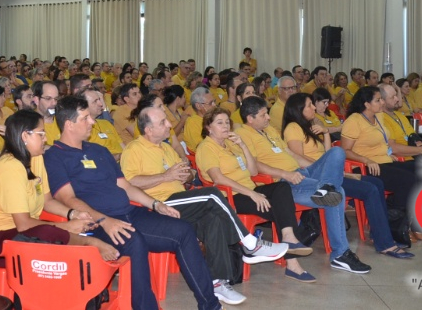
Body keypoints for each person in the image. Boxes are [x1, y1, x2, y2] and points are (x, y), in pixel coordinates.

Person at [45, 96, 241, 310]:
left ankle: (210, 304)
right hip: (96, 225)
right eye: (85, 118)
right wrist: (103, 220)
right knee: (134, 241)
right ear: (69, 124)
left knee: (183, 230)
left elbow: (126, 187)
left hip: (130, 213)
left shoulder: (98, 151)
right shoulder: (55, 156)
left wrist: (156, 205)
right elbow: (68, 198)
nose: (93, 122)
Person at [121, 105, 294, 288]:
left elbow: (189, 175)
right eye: (163, 122)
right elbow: (129, 183)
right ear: (148, 130)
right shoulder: (134, 150)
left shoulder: (165, 148)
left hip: (182, 198)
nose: (169, 126)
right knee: (212, 194)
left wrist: (186, 175)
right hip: (157, 204)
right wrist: (166, 176)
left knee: (214, 219)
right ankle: (250, 243)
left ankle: (218, 283)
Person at [236, 95, 372, 274]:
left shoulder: (270, 131)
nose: (268, 118)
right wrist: (286, 174)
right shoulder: (243, 134)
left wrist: (316, 167)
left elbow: (291, 155)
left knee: (337, 153)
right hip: (285, 182)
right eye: (263, 115)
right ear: (250, 118)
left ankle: (325, 188)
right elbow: (254, 165)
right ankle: (340, 253)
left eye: (267, 114)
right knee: (337, 194)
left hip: (302, 174)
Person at [0, 109, 117, 269]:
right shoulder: (9, 168)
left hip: (20, 232)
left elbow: (47, 201)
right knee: (46, 234)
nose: (46, 139)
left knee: (53, 233)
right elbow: (23, 225)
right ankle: (88, 243)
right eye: (41, 134)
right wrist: (68, 227)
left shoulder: (36, 158)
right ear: (25, 136)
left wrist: (73, 214)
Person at [281, 94, 413, 259]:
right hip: (316, 177)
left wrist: (326, 133)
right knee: (370, 189)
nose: (314, 108)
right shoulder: (293, 128)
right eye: (309, 105)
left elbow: (327, 154)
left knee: (376, 183)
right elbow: (299, 160)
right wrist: (330, 168)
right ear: (298, 110)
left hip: (330, 174)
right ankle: (385, 243)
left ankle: (380, 232)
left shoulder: (310, 127)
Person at [196, 108, 317, 281]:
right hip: (230, 197)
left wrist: (243, 145)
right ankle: (293, 264)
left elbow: (252, 171)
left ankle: (289, 239)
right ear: (209, 127)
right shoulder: (206, 147)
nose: (225, 126)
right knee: (282, 209)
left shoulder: (231, 144)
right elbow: (218, 178)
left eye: (227, 122)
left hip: (249, 189)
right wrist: (252, 195)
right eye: (219, 122)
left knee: (282, 189)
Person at [341, 86, 422, 241]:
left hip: (384, 161)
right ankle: (394, 225)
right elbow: (345, 150)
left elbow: (384, 142)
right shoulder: (354, 121)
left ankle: (396, 217)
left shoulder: (379, 116)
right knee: (407, 180)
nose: (382, 102)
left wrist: (388, 153)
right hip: (364, 166)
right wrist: (367, 160)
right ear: (366, 104)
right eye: (378, 100)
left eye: (381, 99)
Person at [79, 87, 123, 159]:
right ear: (83, 106)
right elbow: (92, 158)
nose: (100, 104)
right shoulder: (82, 129)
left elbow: (122, 146)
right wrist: (119, 156)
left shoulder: (106, 123)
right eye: (95, 101)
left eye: (99, 100)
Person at [182, 87, 217, 153]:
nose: (214, 105)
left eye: (214, 101)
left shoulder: (213, 118)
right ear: (198, 106)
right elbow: (202, 148)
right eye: (210, 103)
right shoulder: (192, 123)